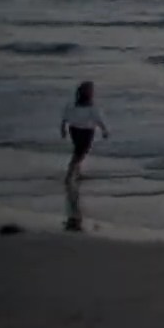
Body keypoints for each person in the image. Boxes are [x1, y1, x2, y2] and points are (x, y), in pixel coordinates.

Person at [60, 81, 108, 230]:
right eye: (91, 90)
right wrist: (104, 130)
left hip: (75, 130)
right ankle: (70, 172)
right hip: (86, 131)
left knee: (78, 150)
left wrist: (63, 129)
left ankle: (77, 172)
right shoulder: (91, 107)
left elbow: (65, 118)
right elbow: (98, 119)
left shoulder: (73, 105)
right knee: (81, 152)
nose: (92, 92)